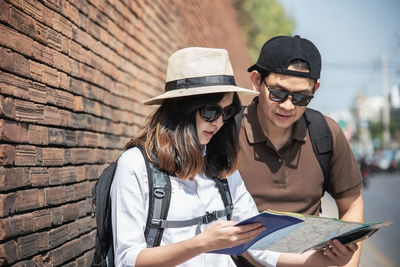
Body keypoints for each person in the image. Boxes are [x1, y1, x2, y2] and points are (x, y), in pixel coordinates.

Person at [110, 47, 358, 267]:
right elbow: (127, 259)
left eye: (227, 112)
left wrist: (328, 260)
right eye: (210, 112)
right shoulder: (136, 165)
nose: (219, 122)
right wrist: (202, 244)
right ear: (180, 107)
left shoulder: (222, 167)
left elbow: (259, 244)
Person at [238, 35, 364, 267]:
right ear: (256, 81)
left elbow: (352, 204)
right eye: (277, 93)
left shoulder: (325, 134)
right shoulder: (228, 134)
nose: (288, 105)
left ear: (315, 88)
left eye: (301, 97)